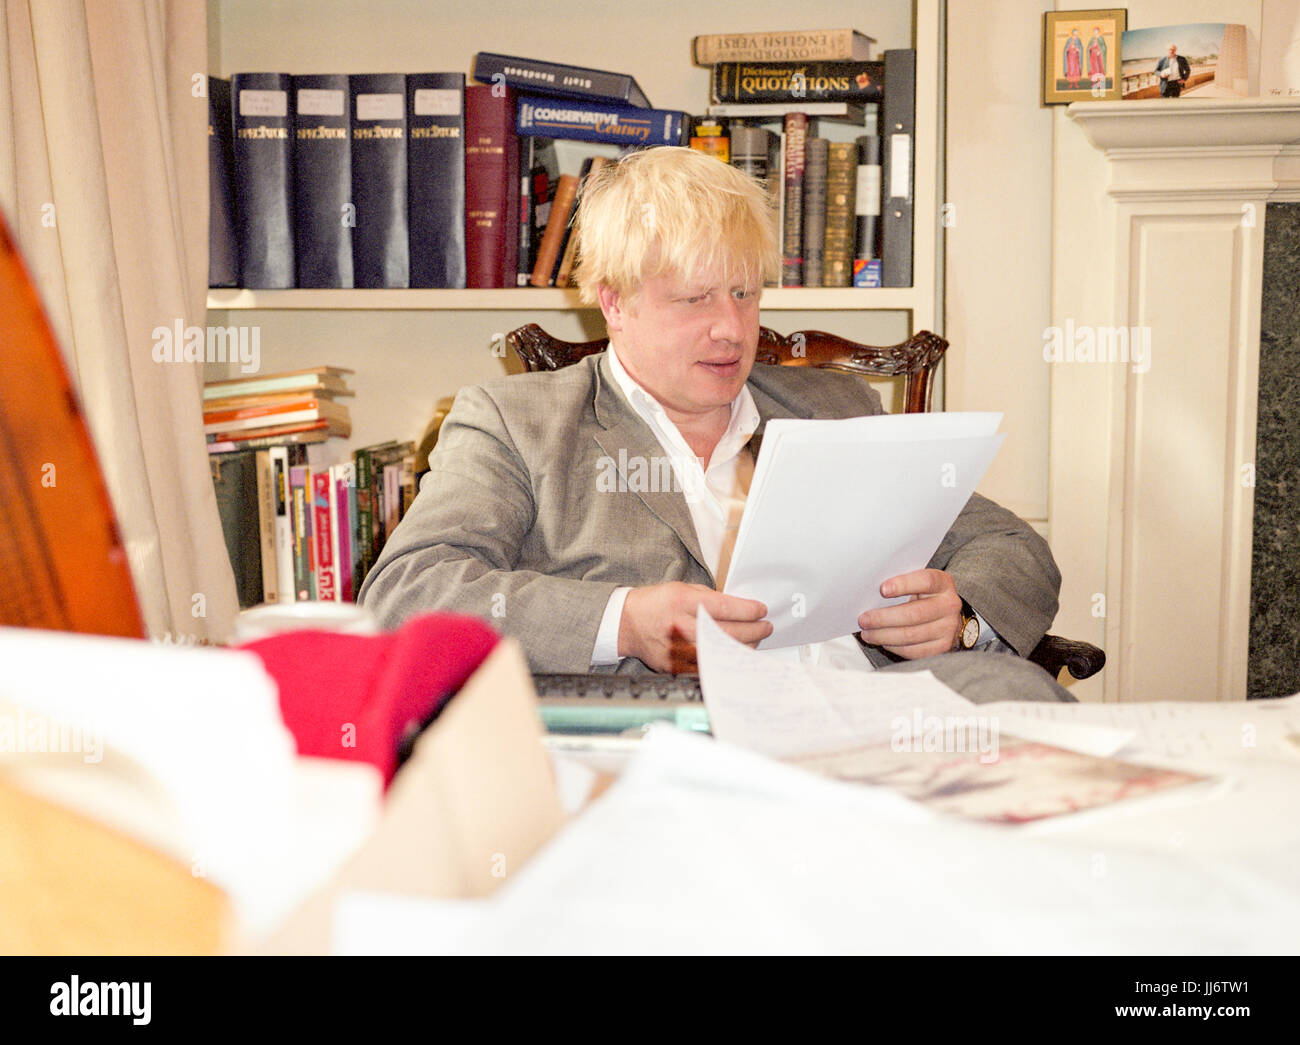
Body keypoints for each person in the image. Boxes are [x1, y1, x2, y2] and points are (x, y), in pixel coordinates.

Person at [359, 147, 1069, 702]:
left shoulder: (833, 410)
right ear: (613, 300)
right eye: (695, 298)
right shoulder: (518, 422)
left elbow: (1009, 544)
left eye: (743, 292)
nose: (731, 329)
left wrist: (964, 615)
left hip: (862, 717)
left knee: (1028, 704)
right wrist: (623, 620)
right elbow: (408, 589)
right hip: (660, 747)